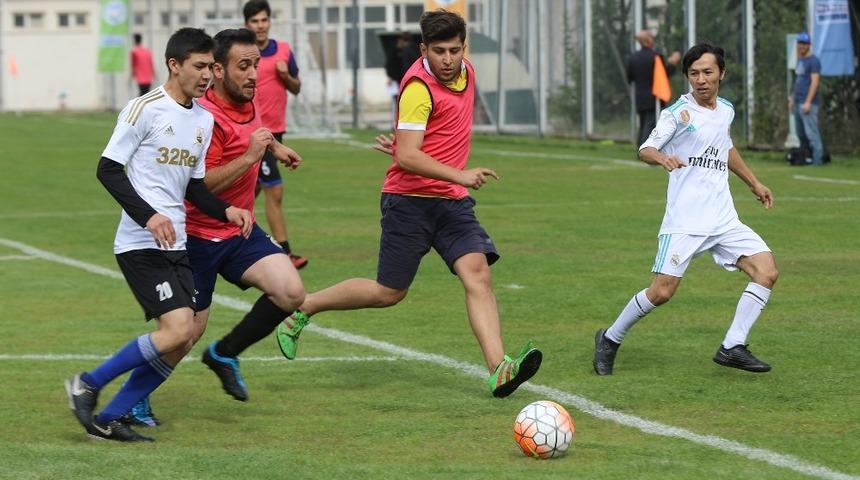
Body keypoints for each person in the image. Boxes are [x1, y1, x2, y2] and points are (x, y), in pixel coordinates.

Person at [274, 10, 542, 398]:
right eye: (438, 51)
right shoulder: (417, 88)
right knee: (389, 292)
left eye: (454, 50)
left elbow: (424, 142)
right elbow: (408, 159)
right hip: (408, 202)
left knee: (478, 273)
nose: (447, 59)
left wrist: (421, 156)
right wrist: (458, 173)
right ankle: (304, 309)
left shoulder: (468, 73)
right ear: (423, 49)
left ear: (463, 48)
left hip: (450, 203)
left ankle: (499, 369)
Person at [64, 27, 253, 442]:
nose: (208, 75)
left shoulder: (203, 119)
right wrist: (149, 216)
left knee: (182, 339)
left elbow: (195, 188)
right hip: (140, 242)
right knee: (176, 331)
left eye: (212, 68)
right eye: (200, 67)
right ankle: (88, 384)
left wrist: (228, 210)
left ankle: (109, 418)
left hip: (177, 243)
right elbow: (108, 169)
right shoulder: (144, 108)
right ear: (175, 64)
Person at [593, 43, 779, 376]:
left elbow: (725, 148)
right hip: (685, 221)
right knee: (661, 292)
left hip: (723, 219)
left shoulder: (725, 110)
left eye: (708, 72)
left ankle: (732, 346)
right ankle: (609, 338)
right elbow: (645, 148)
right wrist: (662, 157)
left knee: (766, 271)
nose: (701, 80)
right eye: (694, 73)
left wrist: (754, 182)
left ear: (721, 73)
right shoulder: (678, 113)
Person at [187, 28, 304, 402]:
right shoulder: (202, 119)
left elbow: (252, 130)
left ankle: (224, 353)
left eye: (256, 64)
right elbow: (199, 188)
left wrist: (274, 147)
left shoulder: (248, 99)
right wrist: (252, 156)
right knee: (183, 334)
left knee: (290, 291)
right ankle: (132, 397)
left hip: (238, 230)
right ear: (217, 71)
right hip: (197, 234)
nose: (254, 74)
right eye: (244, 66)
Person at [243, 0, 308, 268]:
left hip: (277, 132)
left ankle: (217, 227)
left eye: (263, 20)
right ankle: (285, 252)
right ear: (247, 24)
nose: (260, 25)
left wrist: (285, 76)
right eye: (254, 21)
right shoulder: (243, 54)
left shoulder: (283, 50)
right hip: (254, 132)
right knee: (275, 190)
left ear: (270, 21)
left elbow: (296, 88)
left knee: (250, 188)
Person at [627, 30, 681, 148]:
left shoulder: (633, 57)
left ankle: (640, 148)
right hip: (653, 95)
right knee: (650, 124)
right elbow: (663, 75)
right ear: (649, 40)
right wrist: (672, 63)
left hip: (639, 96)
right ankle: (645, 150)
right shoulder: (655, 56)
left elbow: (630, 78)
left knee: (642, 124)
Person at [790, 32, 824, 166]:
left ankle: (817, 160)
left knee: (812, 133)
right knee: (801, 135)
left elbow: (815, 82)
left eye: (804, 44)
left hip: (808, 103)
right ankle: (805, 158)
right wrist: (792, 100)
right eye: (800, 43)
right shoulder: (800, 60)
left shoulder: (814, 61)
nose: (801, 46)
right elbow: (797, 81)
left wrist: (808, 102)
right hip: (798, 102)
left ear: (809, 45)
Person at [384, 32, 421, 126]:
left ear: (402, 41)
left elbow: (404, 68)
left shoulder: (406, 51)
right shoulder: (418, 50)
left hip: (406, 82)